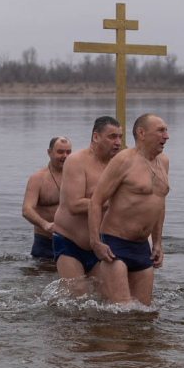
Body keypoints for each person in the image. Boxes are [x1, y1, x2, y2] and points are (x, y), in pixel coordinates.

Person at [89, 114, 170, 306]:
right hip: (115, 244)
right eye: (161, 131)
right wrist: (95, 242)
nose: (166, 136)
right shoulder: (123, 160)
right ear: (141, 133)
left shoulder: (164, 162)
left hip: (142, 246)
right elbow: (96, 201)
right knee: (122, 310)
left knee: (144, 313)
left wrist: (157, 242)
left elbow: (159, 203)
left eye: (166, 131)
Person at [52, 116, 122, 280]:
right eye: (112, 137)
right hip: (69, 243)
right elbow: (74, 206)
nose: (118, 142)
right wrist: (113, 204)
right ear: (96, 137)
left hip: (102, 245)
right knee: (76, 302)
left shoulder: (118, 163)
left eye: (120, 137)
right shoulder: (77, 160)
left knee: (105, 302)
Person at [22, 136, 71, 260]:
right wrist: (45, 224)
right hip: (45, 242)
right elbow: (27, 210)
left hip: (73, 240)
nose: (65, 156)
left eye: (68, 152)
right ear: (49, 153)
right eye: (60, 152)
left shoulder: (77, 176)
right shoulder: (38, 178)